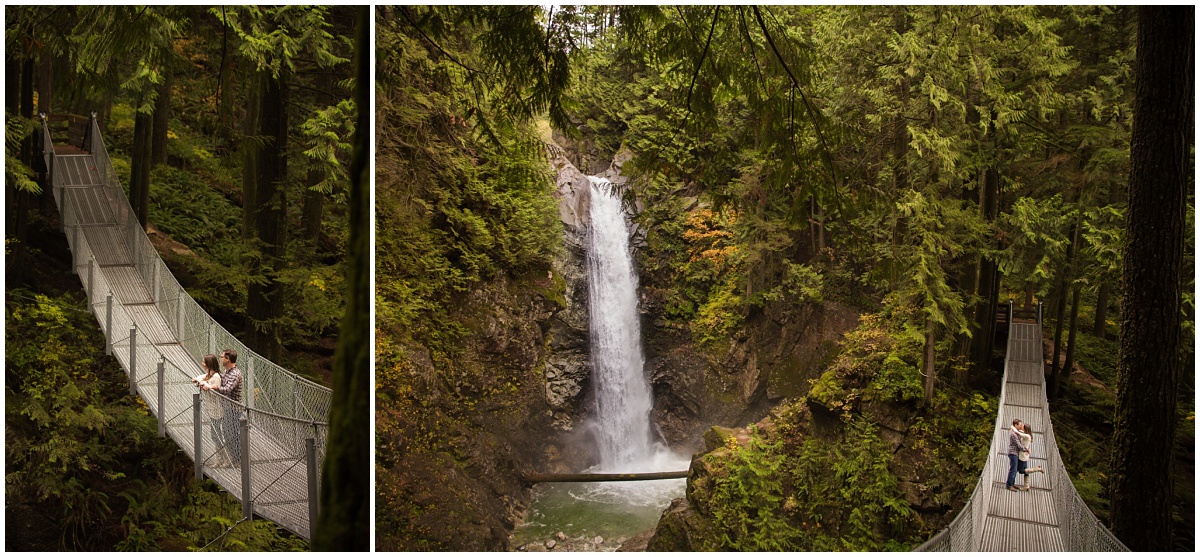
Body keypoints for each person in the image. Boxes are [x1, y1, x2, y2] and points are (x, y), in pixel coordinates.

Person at [202, 349, 243, 467]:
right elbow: (215, 377)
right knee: (227, 433)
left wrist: (212, 387)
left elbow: (227, 389)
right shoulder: (227, 371)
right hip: (227, 408)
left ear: (228, 359)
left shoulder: (235, 374)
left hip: (234, 409)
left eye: (222, 357)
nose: (220, 358)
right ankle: (231, 459)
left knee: (232, 434)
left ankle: (237, 460)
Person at [1006, 418, 1028, 492]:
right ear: (1015, 425)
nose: (1021, 426)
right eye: (1020, 425)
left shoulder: (1016, 432)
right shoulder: (1013, 434)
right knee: (1013, 469)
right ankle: (1009, 485)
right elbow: (1018, 445)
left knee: (1014, 469)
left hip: (1015, 453)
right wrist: (1026, 449)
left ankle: (1012, 483)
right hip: (1013, 453)